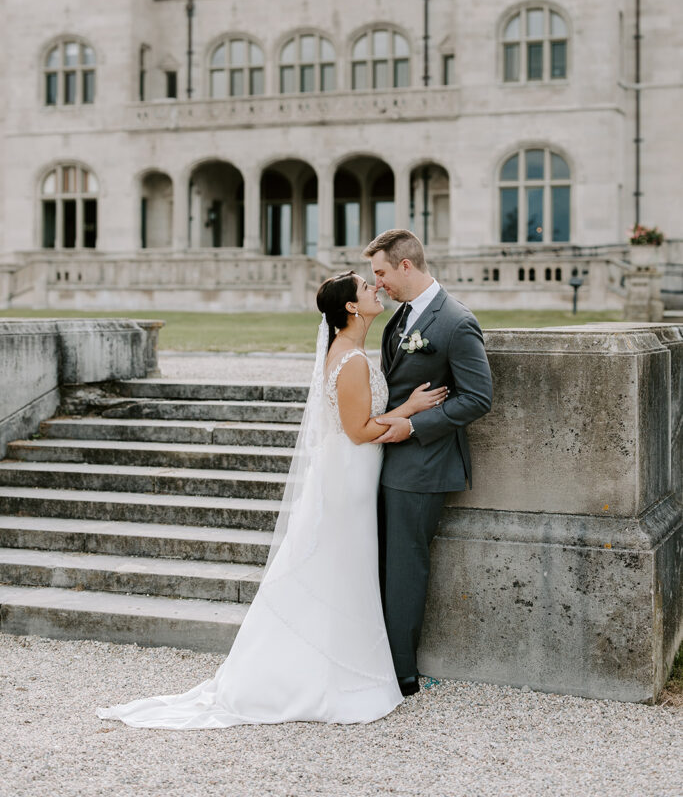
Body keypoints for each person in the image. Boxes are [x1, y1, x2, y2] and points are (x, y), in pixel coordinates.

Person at [96, 270, 447, 729]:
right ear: (352, 308)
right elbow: (360, 431)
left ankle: (341, 661)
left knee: (346, 568)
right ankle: (319, 673)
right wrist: (409, 410)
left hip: (353, 474)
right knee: (341, 566)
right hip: (349, 477)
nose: (375, 288)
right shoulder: (352, 361)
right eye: (366, 287)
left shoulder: (352, 353)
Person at [364, 229, 493, 698]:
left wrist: (414, 427)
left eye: (380, 272)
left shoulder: (456, 322)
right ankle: (377, 659)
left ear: (405, 265)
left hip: (423, 466)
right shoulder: (398, 320)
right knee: (380, 563)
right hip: (385, 458)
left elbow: (478, 398)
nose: (376, 283)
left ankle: (401, 675)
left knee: (405, 568)